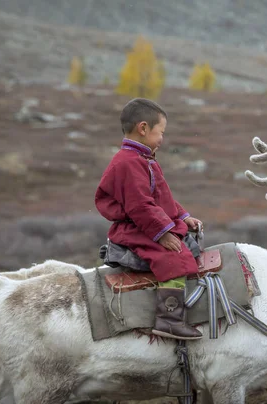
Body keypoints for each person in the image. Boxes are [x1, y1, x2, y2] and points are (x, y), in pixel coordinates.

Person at [95, 98, 203, 341]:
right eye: (161, 132)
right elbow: (140, 205)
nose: (163, 139)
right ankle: (169, 320)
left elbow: (162, 198)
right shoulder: (127, 163)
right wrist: (162, 233)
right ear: (143, 128)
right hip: (134, 228)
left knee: (184, 243)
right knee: (174, 258)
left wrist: (183, 217)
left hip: (146, 223)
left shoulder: (145, 159)